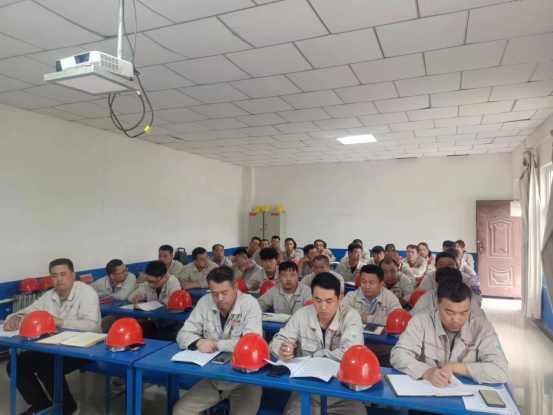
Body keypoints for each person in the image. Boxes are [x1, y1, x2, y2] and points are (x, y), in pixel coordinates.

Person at [4, 258, 101, 415]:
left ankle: (68, 407)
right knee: (15, 365)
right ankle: (40, 404)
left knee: (47, 366)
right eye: (54, 275)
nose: (59, 279)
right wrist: (16, 317)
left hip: (84, 347)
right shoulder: (49, 295)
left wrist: (59, 321)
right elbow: (28, 311)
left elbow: (92, 326)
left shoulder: (87, 293)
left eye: (63, 274)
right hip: (53, 346)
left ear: (73, 275)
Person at [269, 273, 366, 415]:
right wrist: (281, 348)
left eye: (329, 301)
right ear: (312, 297)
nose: (323, 307)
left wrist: (315, 357)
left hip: (344, 393)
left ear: (339, 298)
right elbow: (279, 339)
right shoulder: (302, 315)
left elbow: (351, 352)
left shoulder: (351, 317)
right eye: (318, 300)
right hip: (307, 391)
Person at [172, 266, 263, 415]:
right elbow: (183, 334)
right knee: (180, 410)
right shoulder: (205, 302)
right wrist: (198, 342)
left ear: (235, 287)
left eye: (224, 293)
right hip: (213, 378)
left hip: (245, 380)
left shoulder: (250, 304)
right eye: (214, 293)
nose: (219, 298)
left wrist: (216, 344)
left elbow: (250, 345)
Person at [391, 279, 508, 386]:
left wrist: (454, 367)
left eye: (464, 313)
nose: (456, 320)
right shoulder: (421, 321)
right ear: (437, 303)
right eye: (449, 312)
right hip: (429, 392)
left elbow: (500, 371)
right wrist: (427, 372)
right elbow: (398, 354)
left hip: (468, 394)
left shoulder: (482, 328)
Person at [128, 261, 182, 340]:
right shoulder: (148, 283)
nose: (151, 284)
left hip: (173, 323)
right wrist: (135, 298)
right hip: (156, 322)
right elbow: (130, 296)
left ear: (165, 277)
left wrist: (162, 301)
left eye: (154, 282)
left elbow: (175, 300)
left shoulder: (173, 282)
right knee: (136, 331)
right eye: (149, 281)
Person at [411, 268, 484, 318]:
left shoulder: (467, 300)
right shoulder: (427, 297)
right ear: (437, 286)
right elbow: (413, 317)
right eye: (446, 287)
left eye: (454, 286)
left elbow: (482, 322)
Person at [91, 259, 137, 332]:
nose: (126, 273)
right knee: (95, 326)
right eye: (123, 272)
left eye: (126, 269)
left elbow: (122, 296)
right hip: (112, 315)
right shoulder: (101, 282)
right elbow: (88, 293)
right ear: (112, 276)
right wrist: (102, 295)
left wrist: (106, 295)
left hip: (129, 315)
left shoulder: (130, 277)